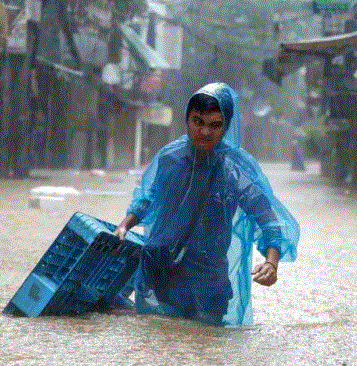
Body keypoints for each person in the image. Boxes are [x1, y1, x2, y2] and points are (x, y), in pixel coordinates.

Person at [114, 83, 299, 326]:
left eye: (215, 125)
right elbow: (146, 200)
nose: (204, 132)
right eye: (198, 121)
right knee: (158, 348)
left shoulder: (236, 169)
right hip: (159, 273)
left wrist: (271, 263)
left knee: (205, 347)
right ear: (187, 119)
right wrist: (124, 226)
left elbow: (268, 220)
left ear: (226, 126)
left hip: (208, 280)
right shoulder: (170, 158)